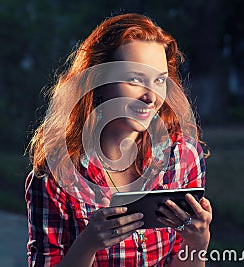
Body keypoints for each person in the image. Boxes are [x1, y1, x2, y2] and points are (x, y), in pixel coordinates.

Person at [26, 13, 212, 267]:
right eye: (135, 79)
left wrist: (197, 243)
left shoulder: (182, 157)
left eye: (159, 80)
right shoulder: (56, 175)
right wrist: (89, 242)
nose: (151, 96)